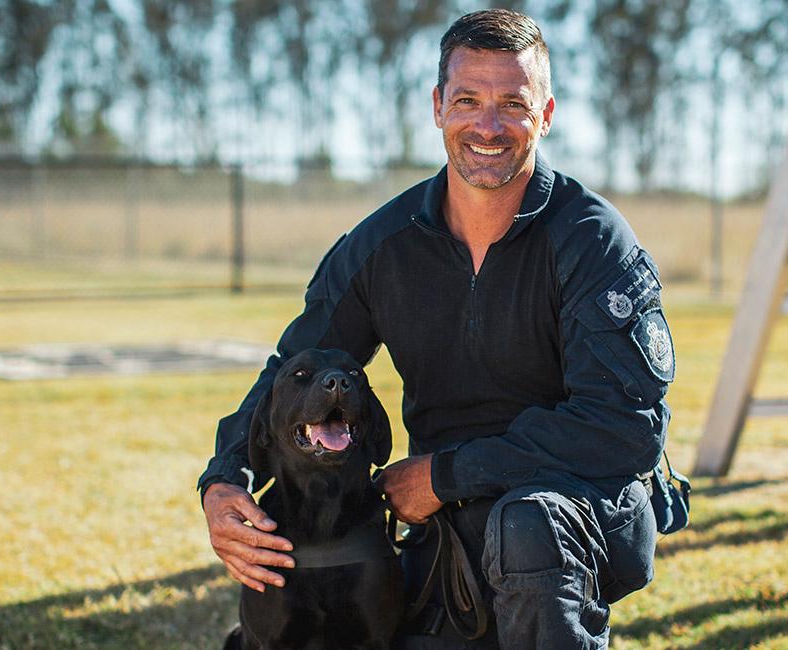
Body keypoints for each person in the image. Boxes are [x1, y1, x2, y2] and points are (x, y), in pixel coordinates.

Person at [198, 9, 674, 648]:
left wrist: (444, 474)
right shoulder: (384, 245)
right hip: (451, 525)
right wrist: (224, 478)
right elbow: (295, 367)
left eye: (513, 103)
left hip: (578, 510)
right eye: (468, 100)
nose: (488, 125)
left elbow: (623, 430)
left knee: (528, 525)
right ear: (438, 106)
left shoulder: (590, 241)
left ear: (547, 114)